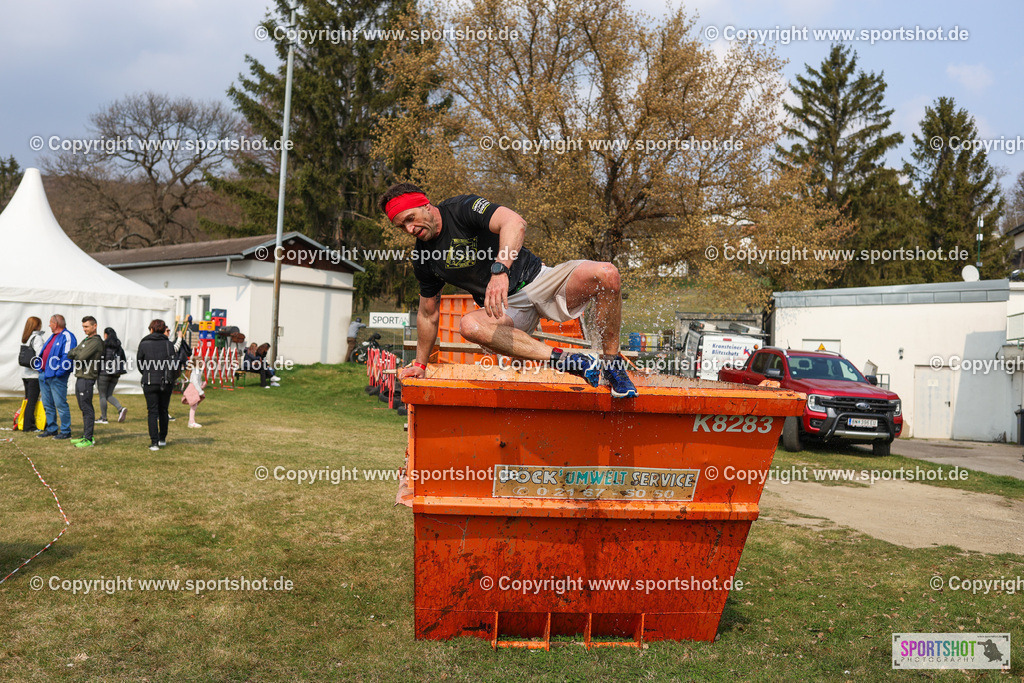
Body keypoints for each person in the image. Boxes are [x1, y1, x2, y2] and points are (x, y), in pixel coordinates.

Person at [381, 183, 637, 397]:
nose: (410, 230)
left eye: (410, 219)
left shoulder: (461, 208)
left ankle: (612, 365)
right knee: (469, 326)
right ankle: (571, 362)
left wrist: (500, 269)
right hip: (505, 309)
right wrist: (419, 364)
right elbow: (427, 314)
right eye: (402, 227)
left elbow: (514, 222)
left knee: (607, 274)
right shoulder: (424, 258)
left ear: (425, 204)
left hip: (540, 279)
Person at [37, 314, 77, 439]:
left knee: (60, 404)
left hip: (56, 377)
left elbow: (68, 356)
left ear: (56, 323)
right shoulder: (52, 336)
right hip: (45, 375)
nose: (49, 325)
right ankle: (52, 428)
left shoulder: (67, 336)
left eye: (50, 322)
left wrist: (58, 373)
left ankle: (65, 431)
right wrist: (40, 368)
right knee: (47, 404)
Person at [137, 319, 176, 451]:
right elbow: (174, 363)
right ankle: (162, 438)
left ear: (151, 329)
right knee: (163, 410)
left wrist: (147, 373)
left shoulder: (144, 344)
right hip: (165, 381)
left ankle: (154, 442)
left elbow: (140, 363)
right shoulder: (168, 344)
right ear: (163, 329)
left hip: (149, 380)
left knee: (152, 412)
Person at [66, 316, 104, 447]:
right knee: (83, 407)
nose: (84, 329)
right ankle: (86, 436)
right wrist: (79, 352)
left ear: (95, 326)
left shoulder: (96, 342)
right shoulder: (87, 340)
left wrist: (79, 352)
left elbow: (80, 356)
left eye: (86, 326)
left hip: (87, 378)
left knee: (87, 408)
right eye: (83, 327)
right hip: (80, 377)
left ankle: (88, 439)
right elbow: (70, 353)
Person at [96, 327, 128, 424]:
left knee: (102, 395)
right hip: (116, 374)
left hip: (104, 373)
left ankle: (104, 418)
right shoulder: (119, 346)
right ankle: (120, 409)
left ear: (106, 335)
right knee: (108, 394)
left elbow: (99, 360)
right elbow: (124, 360)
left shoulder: (104, 345)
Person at [18, 316, 45, 433]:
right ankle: (29, 426)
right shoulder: (37, 338)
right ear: (37, 326)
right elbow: (40, 355)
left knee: (28, 399)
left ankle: (26, 422)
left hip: (25, 373)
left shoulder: (26, 337)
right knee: (32, 401)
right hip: (34, 375)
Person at [180, 358, 206, 428]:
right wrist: (200, 391)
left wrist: (203, 384)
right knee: (194, 405)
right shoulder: (195, 372)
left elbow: (197, 381)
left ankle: (191, 421)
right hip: (193, 389)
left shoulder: (197, 371)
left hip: (195, 388)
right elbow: (195, 382)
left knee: (194, 405)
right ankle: (191, 422)